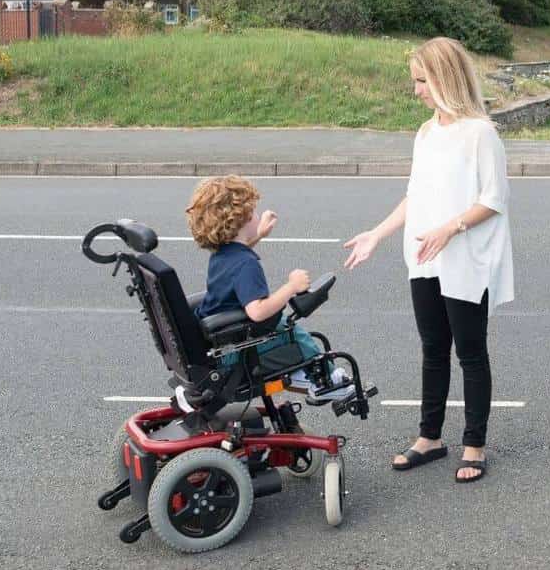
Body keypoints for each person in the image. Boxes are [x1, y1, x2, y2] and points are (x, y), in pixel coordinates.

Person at [342, 37, 514, 484]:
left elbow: (493, 201)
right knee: (433, 350)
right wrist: (376, 234)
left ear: (445, 78)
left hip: (465, 259)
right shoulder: (425, 132)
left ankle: (474, 444)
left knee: (471, 353)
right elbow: (414, 196)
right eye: (415, 80)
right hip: (424, 259)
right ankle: (430, 438)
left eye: (422, 80)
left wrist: (449, 228)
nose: (416, 89)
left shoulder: (481, 133)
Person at [186, 174, 353, 403]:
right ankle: (325, 381)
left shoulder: (222, 254)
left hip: (220, 342)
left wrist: (259, 235)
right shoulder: (246, 264)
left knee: (283, 325)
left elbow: (239, 251)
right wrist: (291, 287)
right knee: (292, 330)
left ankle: (306, 375)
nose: (256, 215)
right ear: (241, 219)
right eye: (253, 212)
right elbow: (257, 311)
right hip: (236, 348)